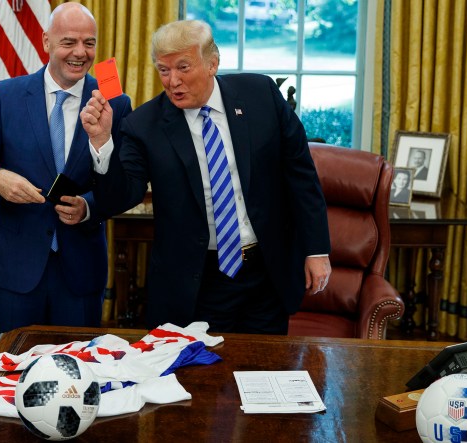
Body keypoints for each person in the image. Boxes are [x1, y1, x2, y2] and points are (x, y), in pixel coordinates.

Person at [80, 20, 331, 334]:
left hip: (265, 272)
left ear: (213, 63)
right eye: (164, 70)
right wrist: (102, 142)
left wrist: (316, 249)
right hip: (195, 281)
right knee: (194, 378)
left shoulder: (261, 95)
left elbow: (300, 175)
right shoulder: (143, 124)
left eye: (183, 67)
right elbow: (121, 196)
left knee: (262, 373)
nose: (173, 81)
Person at [0, 3, 132, 337]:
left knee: (78, 376)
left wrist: (89, 205)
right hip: (15, 268)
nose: (80, 52)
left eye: (89, 43)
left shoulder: (114, 102)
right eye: (69, 42)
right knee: (11, 375)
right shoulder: (6, 96)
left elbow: (124, 186)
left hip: (81, 269)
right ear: (46, 41)